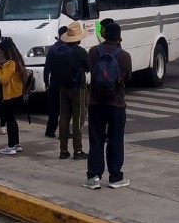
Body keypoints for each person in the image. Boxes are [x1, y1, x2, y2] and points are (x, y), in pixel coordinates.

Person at [83, 22, 132, 189]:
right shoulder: (124, 56)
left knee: (96, 139)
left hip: (96, 102)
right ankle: (115, 177)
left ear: (103, 35)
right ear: (119, 37)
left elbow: (91, 70)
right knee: (116, 139)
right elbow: (128, 78)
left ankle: (93, 177)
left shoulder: (93, 52)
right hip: (116, 103)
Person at [47, 22, 89, 160]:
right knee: (78, 119)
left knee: (64, 118)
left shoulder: (58, 50)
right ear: (78, 38)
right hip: (78, 88)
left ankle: (63, 150)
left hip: (62, 87)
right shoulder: (81, 52)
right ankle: (78, 150)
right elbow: (88, 68)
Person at [0, 37, 26, 155]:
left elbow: (3, 80)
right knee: (13, 120)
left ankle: (11, 146)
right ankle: (16, 144)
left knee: (10, 121)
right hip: (17, 94)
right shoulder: (18, 61)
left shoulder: (9, 63)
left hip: (9, 95)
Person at [42, 26, 69, 138]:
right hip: (66, 84)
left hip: (54, 83)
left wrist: (46, 82)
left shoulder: (52, 49)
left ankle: (50, 131)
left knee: (54, 109)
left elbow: (47, 67)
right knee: (65, 109)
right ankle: (64, 131)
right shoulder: (69, 49)